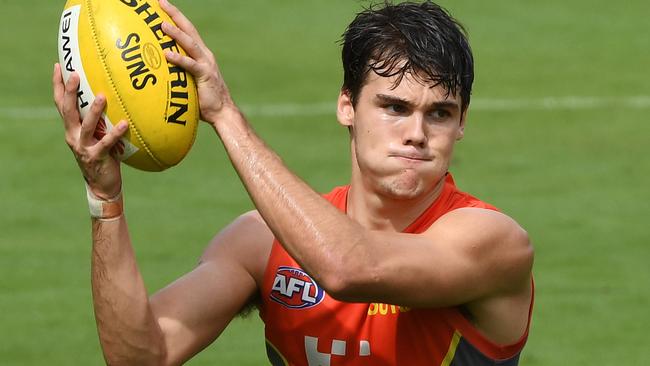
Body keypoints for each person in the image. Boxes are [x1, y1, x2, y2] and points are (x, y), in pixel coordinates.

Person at [52, 0, 534, 365]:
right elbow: (141, 355)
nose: (416, 134)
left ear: (462, 123)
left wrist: (223, 114)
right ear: (347, 105)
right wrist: (105, 197)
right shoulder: (259, 243)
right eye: (394, 107)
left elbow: (347, 267)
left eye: (440, 114)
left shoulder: (493, 242)